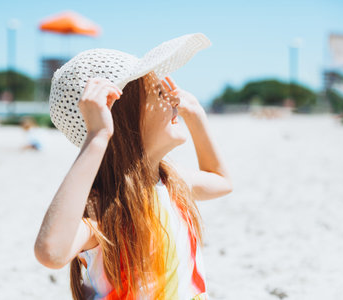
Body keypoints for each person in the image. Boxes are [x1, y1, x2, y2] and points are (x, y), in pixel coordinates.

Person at [34, 33, 233, 299]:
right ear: (123, 118)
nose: (173, 100)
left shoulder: (169, 180)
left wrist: (196, 116)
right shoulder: (104, 207)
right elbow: (51, 251)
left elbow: (221, 181)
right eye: (160, 92)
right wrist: (97, 137)